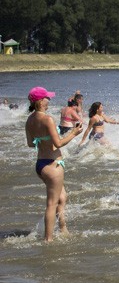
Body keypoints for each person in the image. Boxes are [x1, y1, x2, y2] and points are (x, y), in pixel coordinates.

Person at [25, 87, 84, 241]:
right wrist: (73, 133)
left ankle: (63, 228)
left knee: (62, 197)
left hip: (40, 164)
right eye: (47, 98)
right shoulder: (48, 119)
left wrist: (43, 139)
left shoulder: (30, 119)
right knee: (52, 204)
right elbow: (58, 143)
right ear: (40, 101)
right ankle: (48, 239)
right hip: (53, 166)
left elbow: (31, 144)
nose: (49, 100)